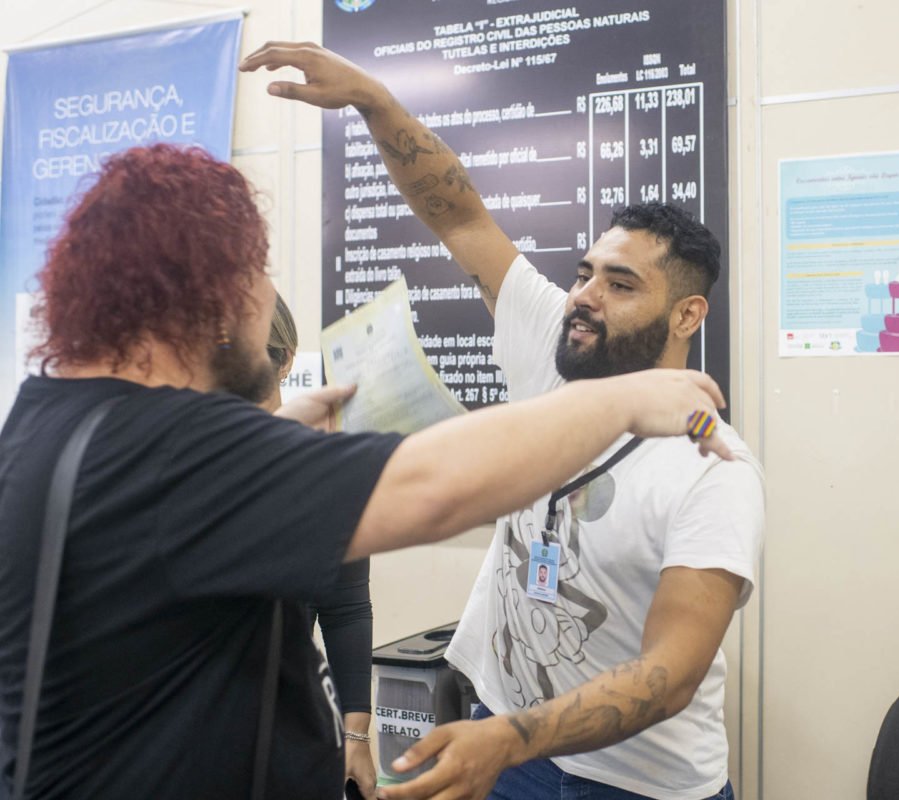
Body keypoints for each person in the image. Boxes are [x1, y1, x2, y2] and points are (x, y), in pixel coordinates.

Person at [0, 143, 732, 800]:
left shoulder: (55, 420)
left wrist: (279, 441)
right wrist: (623, 404)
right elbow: (432, 487)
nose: (266, 297)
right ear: (212, 298)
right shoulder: (171, 450)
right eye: (257, 273)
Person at [243, 42, 765, 800]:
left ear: (687, 312)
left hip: (632, 783)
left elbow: (669, 673)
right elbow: (458, 215)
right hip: (508, 738)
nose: (584, 295)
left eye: (620, 285)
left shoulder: (716, 469)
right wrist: (374, 102)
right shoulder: (554, 343)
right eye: (585, 272)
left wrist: (510, 738)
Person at [262, 292, 378, 798]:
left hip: (290, 727)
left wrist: (356, 735)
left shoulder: (319, 467)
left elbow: (346, 606)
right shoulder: (180, 460)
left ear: (284, 360)